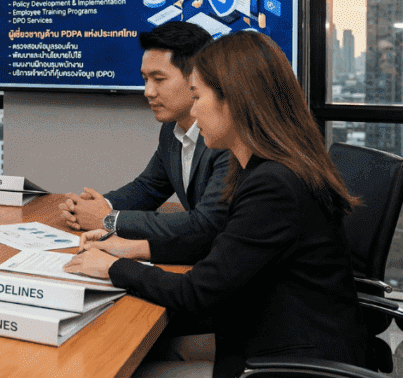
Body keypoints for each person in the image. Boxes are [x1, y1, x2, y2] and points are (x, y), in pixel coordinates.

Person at [64, 31, 366, 378]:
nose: (192, 111)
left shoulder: (273, 186)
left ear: (235, 100)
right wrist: (133, 248)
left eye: (197, 97)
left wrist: (112, 268)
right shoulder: (264, 167)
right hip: (268, 333)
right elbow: (225, 245)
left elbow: (196, 292)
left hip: (286, 361)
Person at [61, 21, 231, 240]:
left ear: (197, 77)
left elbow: (205, 224)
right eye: (145, 79)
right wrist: (96, 207)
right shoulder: (171, 128)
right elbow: (149, 188)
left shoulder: (227, 137)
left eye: (159, 79)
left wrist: (108, 219)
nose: (148, 92)